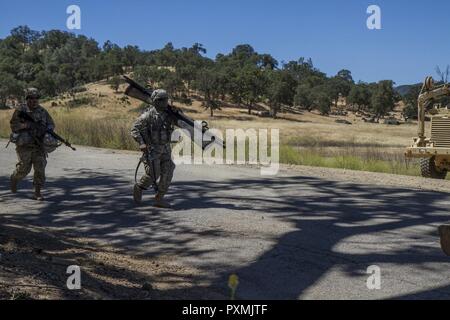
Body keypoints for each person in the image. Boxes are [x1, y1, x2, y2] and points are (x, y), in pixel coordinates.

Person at [131, 89, 177, 208]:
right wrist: (141, 143)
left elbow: (181, 122)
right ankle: (139, 187)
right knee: (153, 174)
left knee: (168, 170)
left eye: (166, 99)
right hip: (152, 150)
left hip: (166, 148)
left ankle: (159, 197)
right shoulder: (147, 116)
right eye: (162, 100)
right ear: (156, 101)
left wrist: (177, 113)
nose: (165, 102)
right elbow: (135, 129)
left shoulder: (169, 114)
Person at [10, 88, 55, 201]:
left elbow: (51, 124)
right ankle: (15, 178)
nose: (34, 101)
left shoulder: (42, 111)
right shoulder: (21, 111)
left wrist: (47, 129)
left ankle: (37, 192)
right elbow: (13, 126)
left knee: (40, 166)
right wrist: (24, 126)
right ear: (27, 99)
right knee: (24, 169)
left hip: (38, 145)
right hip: (24, 145)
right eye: (31, 98)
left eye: (36, 98)